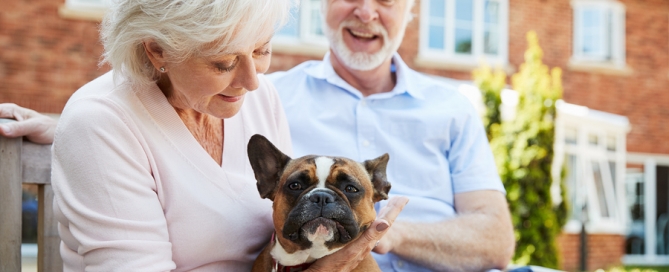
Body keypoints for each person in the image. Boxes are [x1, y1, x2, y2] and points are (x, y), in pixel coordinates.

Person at [0, 0, 513, 270]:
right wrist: (79, 130)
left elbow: (497, 240)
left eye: (263, 51)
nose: (251, 80)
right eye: (224, 62)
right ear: (157, 52)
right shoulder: (105, 121)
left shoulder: (256, 97)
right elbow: (120, 129)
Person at [267, 0, 515, 271]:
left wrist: (385, 232)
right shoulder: (270, 98)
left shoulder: (454, 108)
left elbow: (497, 242)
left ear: (410, 11)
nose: (366, 13)